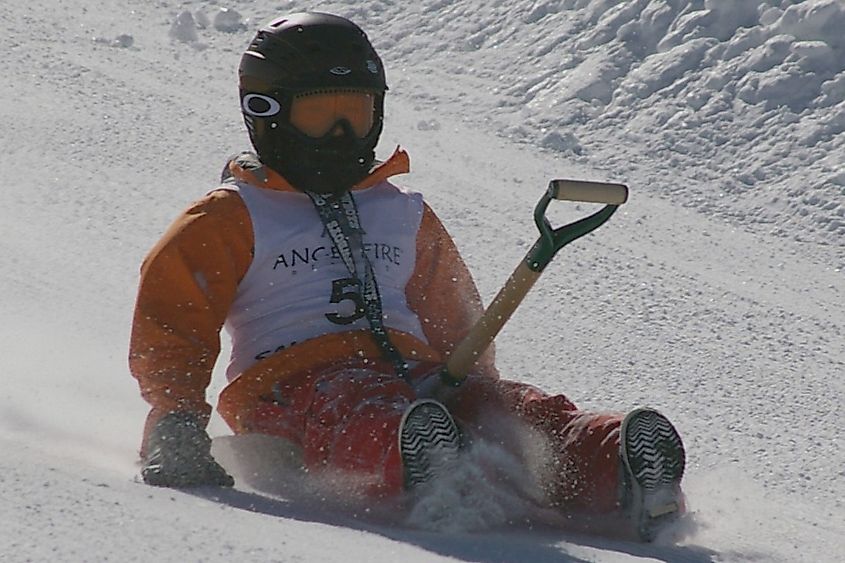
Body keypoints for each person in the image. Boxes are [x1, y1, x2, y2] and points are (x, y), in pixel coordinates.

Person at [129, 12, 685, 541]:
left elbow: (454, 313)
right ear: (266, 111)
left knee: (514, 412)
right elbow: (172, 322)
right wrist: (175, 415)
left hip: (417, 378)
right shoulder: (233, 215)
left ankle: (613, 464)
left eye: (358, 113)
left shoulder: (401, 211)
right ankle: (424, 467)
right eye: (321, 116)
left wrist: (477, 390)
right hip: (292, 387)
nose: (343, 135)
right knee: (355, 403)